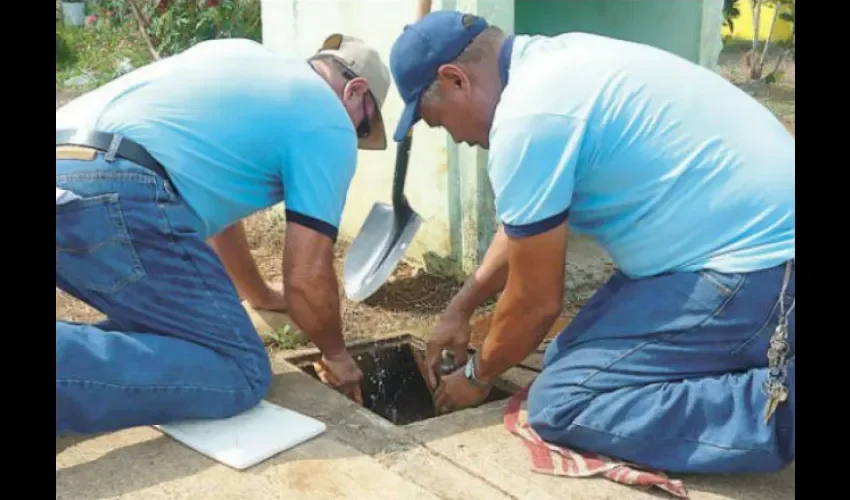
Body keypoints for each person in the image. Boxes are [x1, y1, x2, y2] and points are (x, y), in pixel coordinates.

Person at [388, 11, 794, 474]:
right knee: (565, 357)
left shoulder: (529, 118)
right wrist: (460, 307)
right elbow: (526, 225)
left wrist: (477, 375)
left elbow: (537, 303)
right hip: (737, 251)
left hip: (759, 271)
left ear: (455, 79)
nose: (456, 138)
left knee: (563, 401)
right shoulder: (553, 65)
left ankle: (777, 410)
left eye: (439, 122)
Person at [56, 34, 391, 435]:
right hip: (117, 185)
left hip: (72, 159)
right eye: (363, 127)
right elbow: (306, 273)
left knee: (179, 336)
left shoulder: (241, 58)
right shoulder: (327, 118)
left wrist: (259, 295)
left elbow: (222, 219)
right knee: (240, 368)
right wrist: (336, 354)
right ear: (355, 92)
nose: (352, 136)